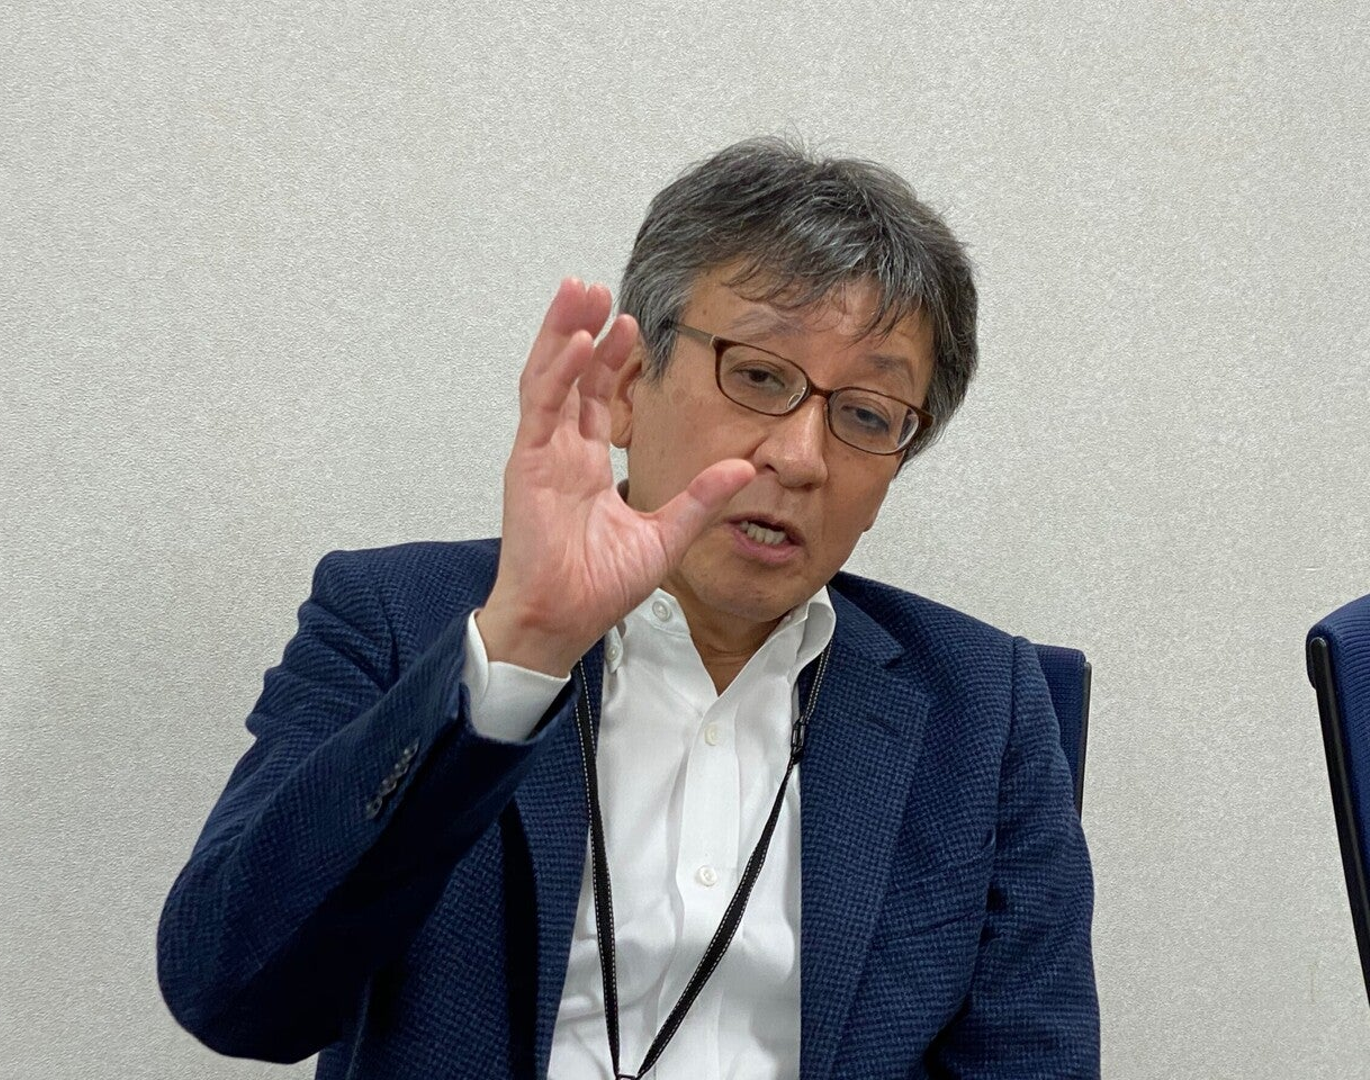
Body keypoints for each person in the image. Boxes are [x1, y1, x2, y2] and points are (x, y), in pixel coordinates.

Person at [158, 137, 1098, 1079]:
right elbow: (234, 999)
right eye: (759, 375)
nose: (801, 456)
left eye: (864, 414)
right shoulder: (398, 620)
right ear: (627, 389)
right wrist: (520, 652)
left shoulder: (988, 709)